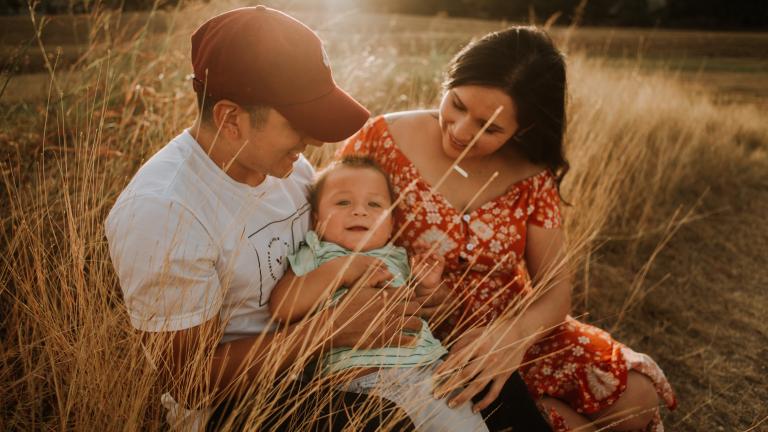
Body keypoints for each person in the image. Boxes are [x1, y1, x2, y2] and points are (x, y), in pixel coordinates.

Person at [339, 26, 677, 431]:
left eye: (490, 127)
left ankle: (541, 414)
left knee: (637, 397)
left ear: (525, 128)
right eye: (457, 104)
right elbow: (329, 229)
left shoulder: (532, 174)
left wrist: (511, 337)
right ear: (448, 82)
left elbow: (555, 292)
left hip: (513, 332)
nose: (462, 131)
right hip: (414, 335)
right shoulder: (382, 139)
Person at [105, 6, 420, 431]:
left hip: (330, 359)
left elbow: (325, 256)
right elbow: (189, 381)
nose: (310, 141)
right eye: (299, 123)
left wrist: (399, 290)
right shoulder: (163, 213)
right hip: (238, 406)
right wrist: (330, 330)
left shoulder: (290, 169)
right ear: (230, 119)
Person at [268, 155, 487, 432]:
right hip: (361, 387)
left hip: (430, 376)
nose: (359, 211)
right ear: (316, 219)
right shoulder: (318, 255)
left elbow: (432, 311)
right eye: (343, 202)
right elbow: (283, 306)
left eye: (374, 204)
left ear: (392, 223)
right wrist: (340, 270)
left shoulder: (397, 257)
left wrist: (428, 285)